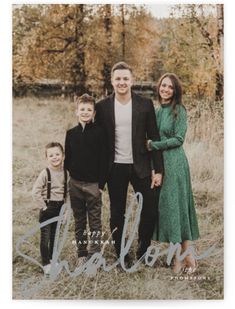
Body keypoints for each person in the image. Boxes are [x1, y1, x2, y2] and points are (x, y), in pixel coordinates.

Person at [95, 61, 164, 264]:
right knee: (117, 213)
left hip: (140, 166)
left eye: (126, 78)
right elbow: (96, 142)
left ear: (132, 80)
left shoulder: (145, 104)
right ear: (112, 81)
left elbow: (154, 138)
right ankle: (122, 254)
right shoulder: (102, 107)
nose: (122, 82)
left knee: (150, 208)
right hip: (114, 167)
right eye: (118, 79)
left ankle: (143, 249)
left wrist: (158, 169)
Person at [147, 73, 200, 273]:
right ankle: (189, 259)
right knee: (170, 210)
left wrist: (154, 145)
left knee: (176, 209)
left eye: (170, 87)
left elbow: (178, 139)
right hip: (161, 164)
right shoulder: (157, 110)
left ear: (175, 90)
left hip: (176, 163)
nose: (166, 89)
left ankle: (180, 259)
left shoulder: (180, 111)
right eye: (163, 86)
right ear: (159, 87)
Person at [64, 93, 107, 265]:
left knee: (95, 222)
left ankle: (94, 255)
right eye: (82, 109)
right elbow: (68, 159)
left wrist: (101, 185)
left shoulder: (100, 133)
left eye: (89, 109)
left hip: (93, 185)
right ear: (76, 111)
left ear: (94, 113)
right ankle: (81, 253)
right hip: (74, 184)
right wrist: (69, 180)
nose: (85, 112)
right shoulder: (71, 134)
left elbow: (104, 161)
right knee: (79, 220)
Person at [32, 142, 70, 275]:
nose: (55, 157)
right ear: (46, 158)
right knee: (46, 237)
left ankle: (54, 259)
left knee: (55, 236)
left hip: (60, 208)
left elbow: (68, 193)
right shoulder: (45, 173)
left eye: (57, 154)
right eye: (51, 155)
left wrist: (66, 211)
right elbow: (36, 191)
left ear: (63, 156)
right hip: (48, 207)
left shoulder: (66, 173)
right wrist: (43, 206)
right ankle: (46, 263)